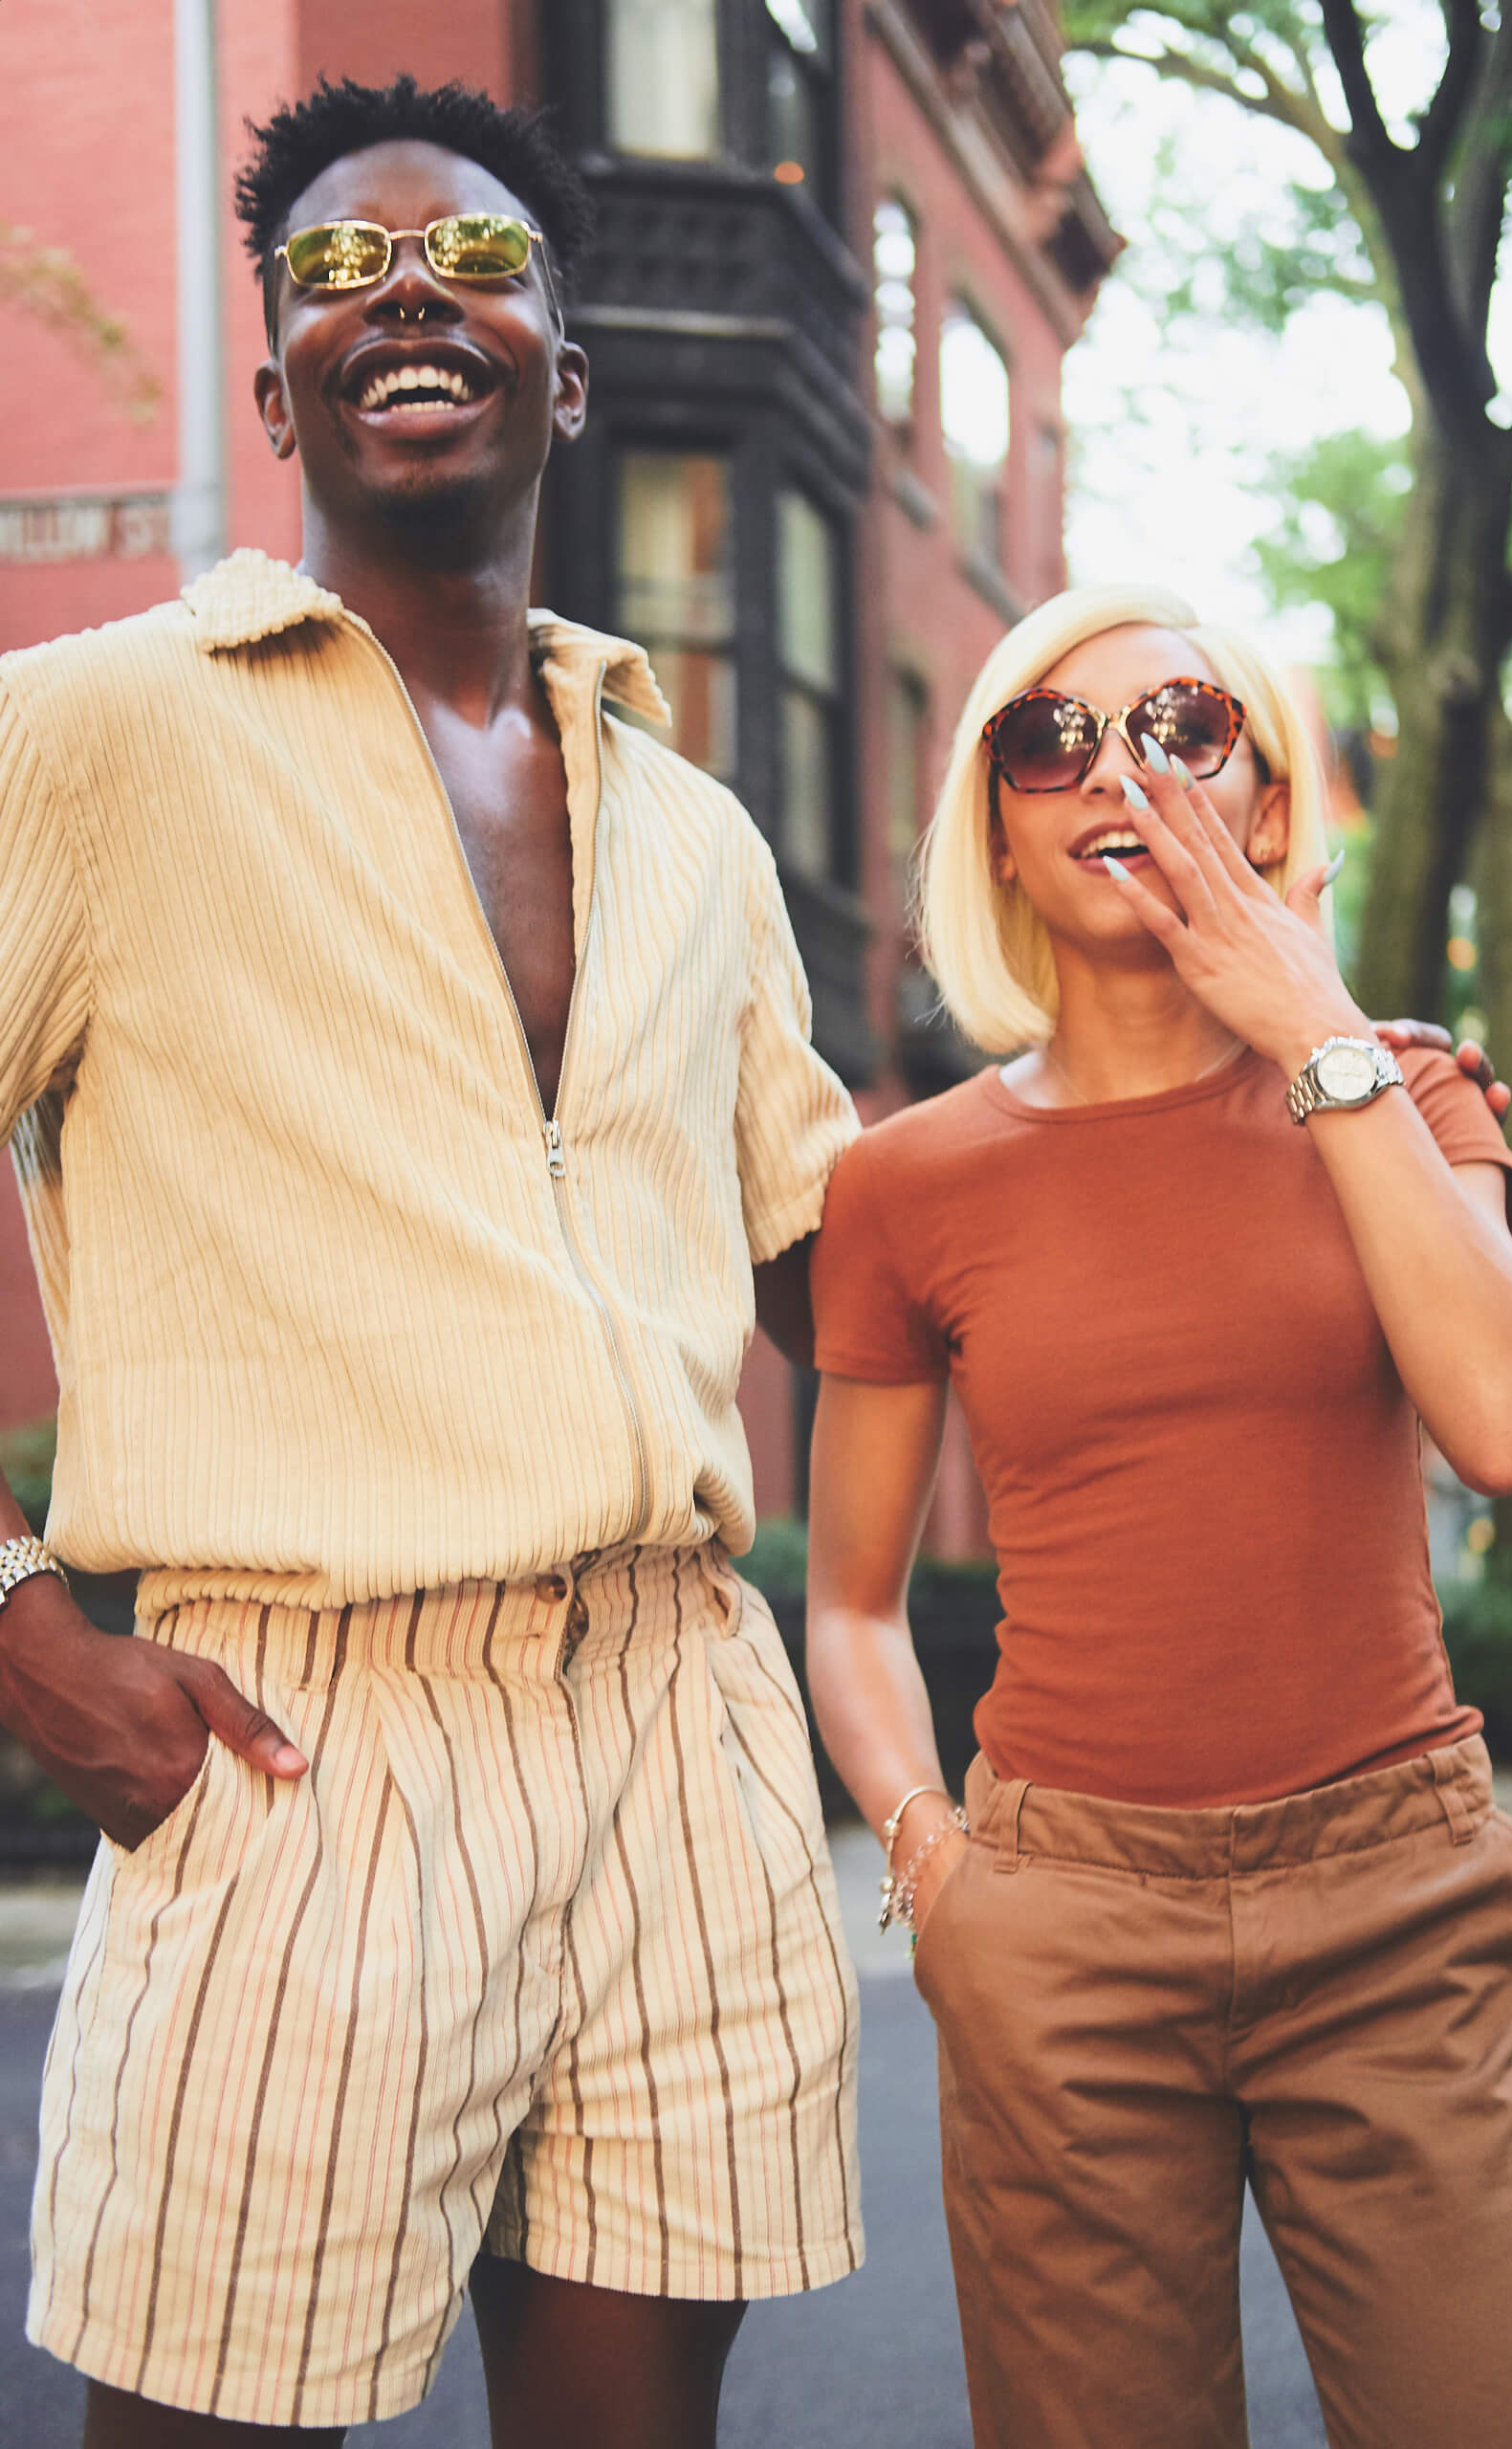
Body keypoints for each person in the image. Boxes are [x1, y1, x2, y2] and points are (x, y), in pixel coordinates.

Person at [0, 77, 864, 2446]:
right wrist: (15, 1629)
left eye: (478, 264)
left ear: (560, 373)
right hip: (300, 1729)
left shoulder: (694, 829)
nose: (407, 291)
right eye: (340, 270)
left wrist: (1272, 1086)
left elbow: (855, 1260)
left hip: (679, 1717)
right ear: (277, 371)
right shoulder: (87, 738)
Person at [804, 585, 1512, 2449]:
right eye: (1045, 736)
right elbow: (845, 1604)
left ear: (1261, 798)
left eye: (1179, 724)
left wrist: (1305, 1022)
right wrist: (938, 1875)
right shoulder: (902, 1182)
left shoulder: (1394, 1086)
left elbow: (1499, 1422)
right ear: (992, 827)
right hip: (1061, 1923)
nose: (1112, 766)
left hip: (1398, 1905)